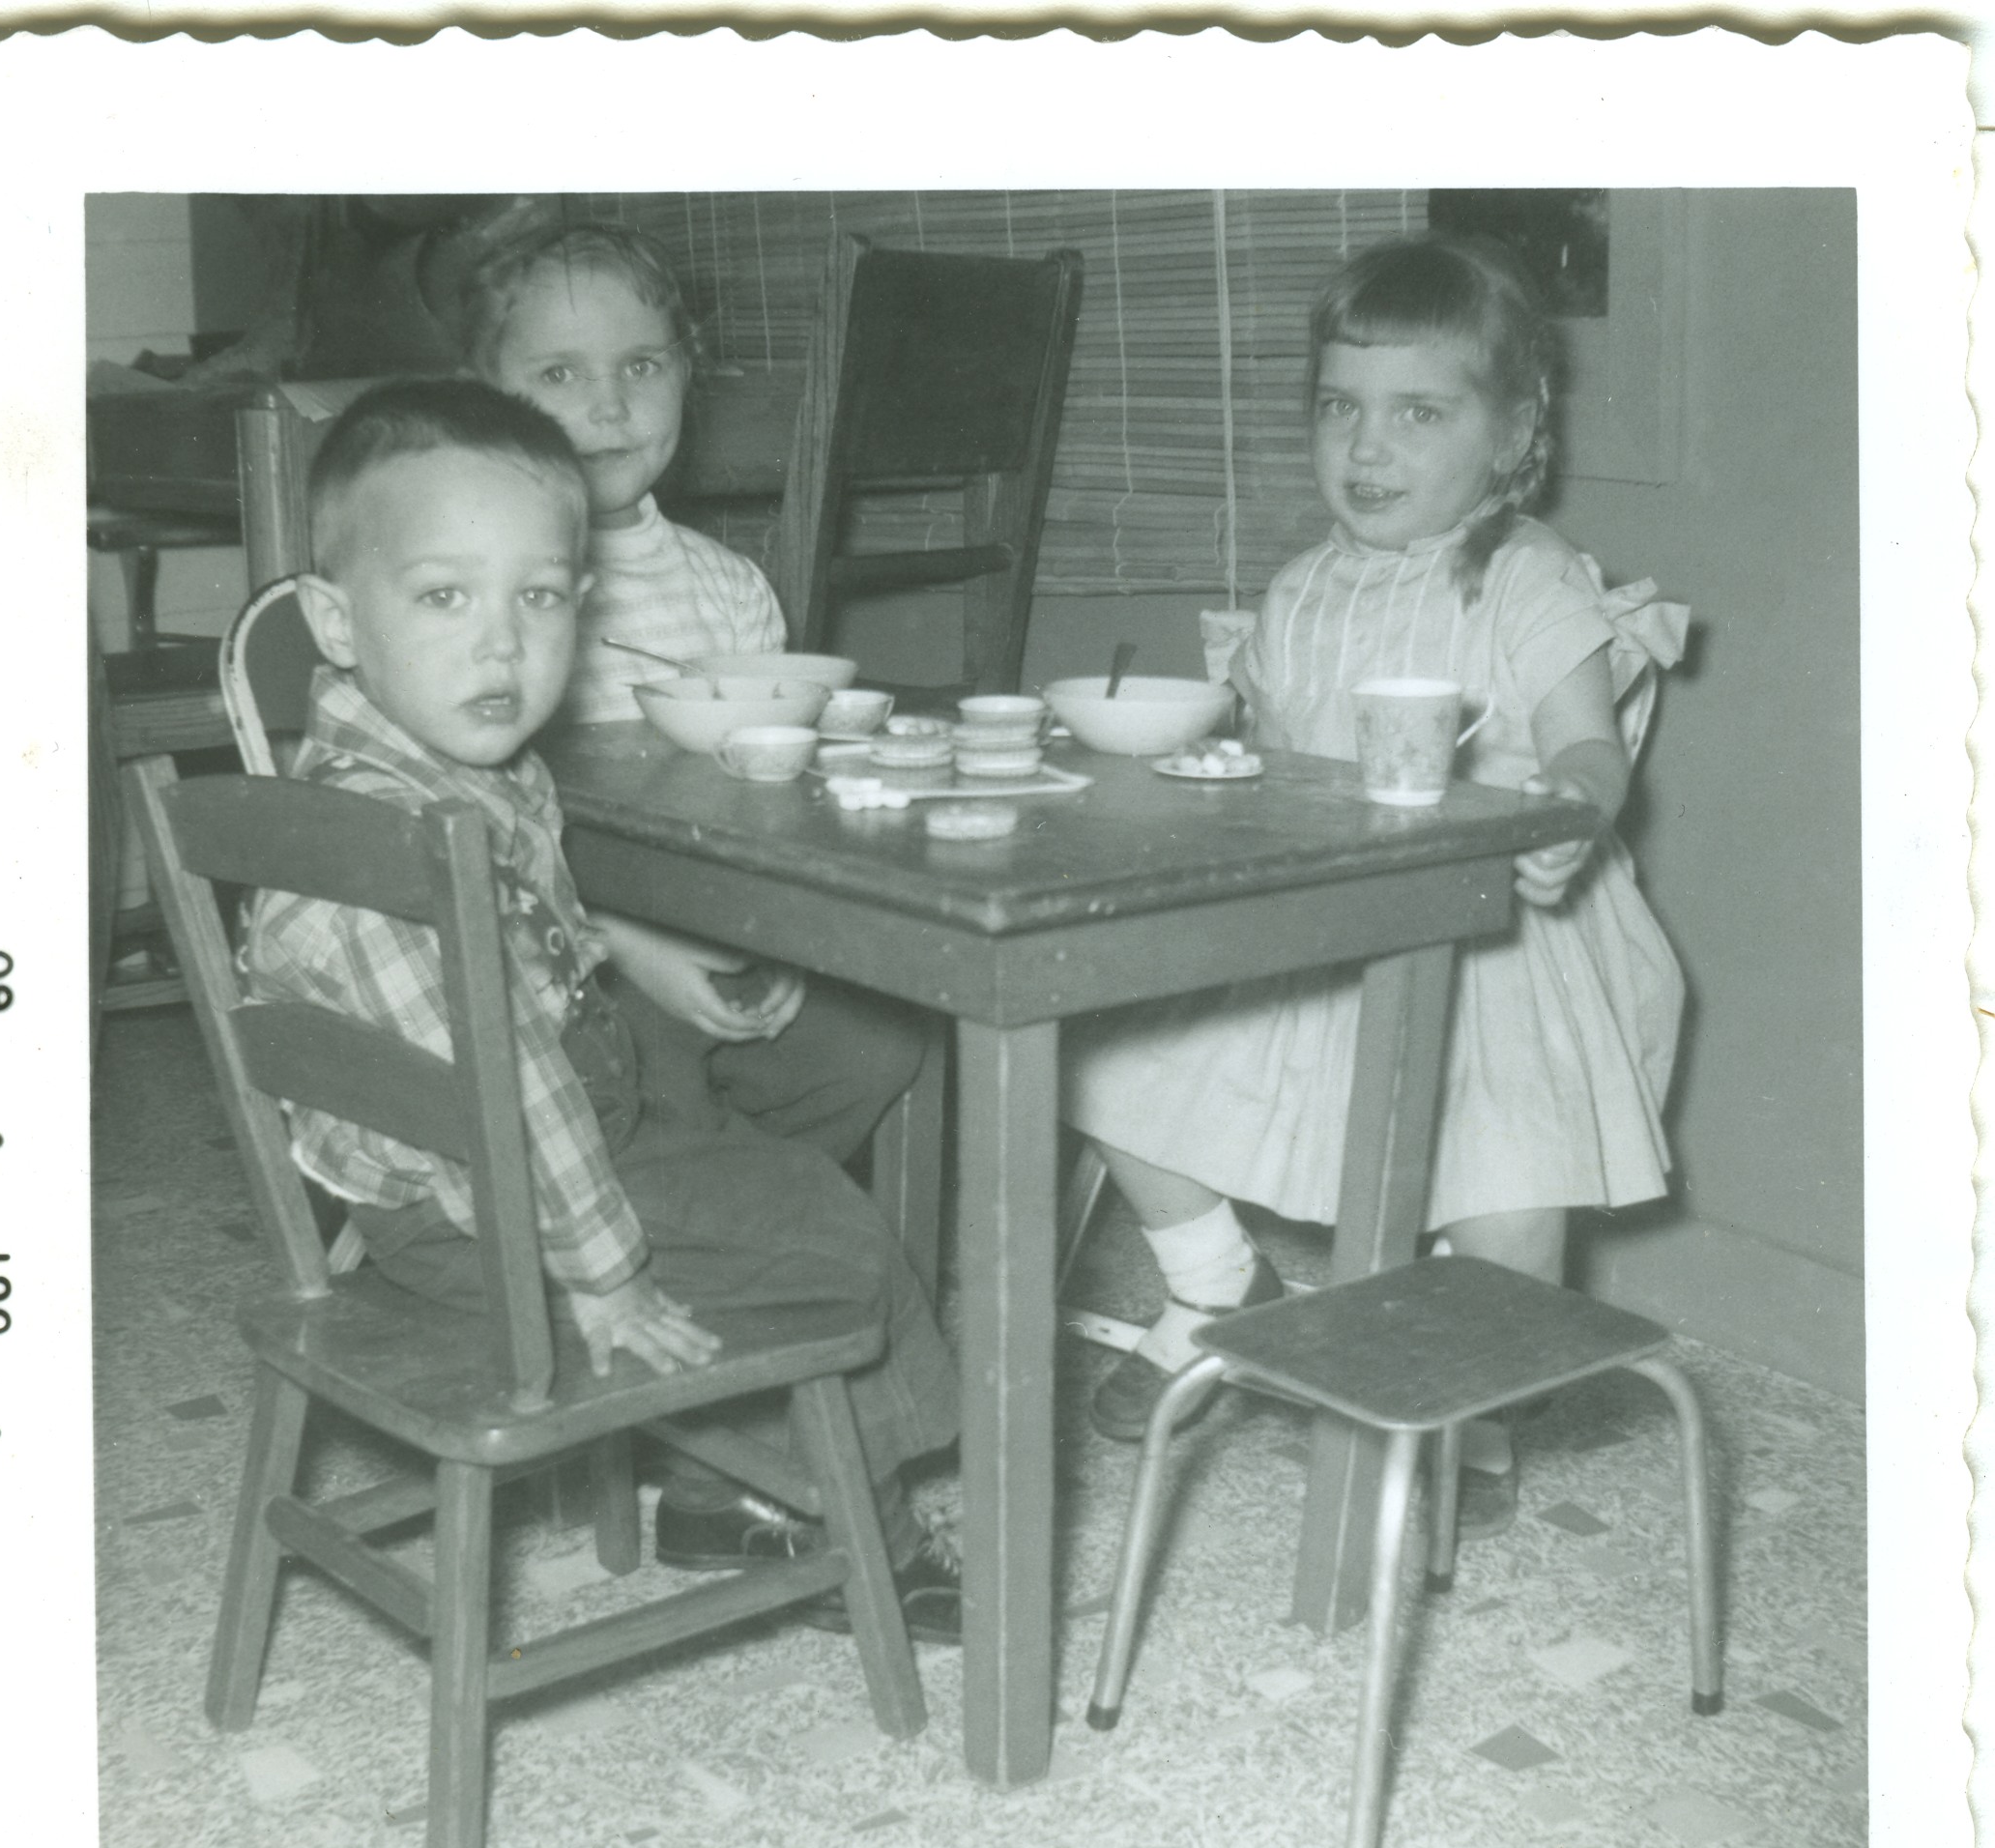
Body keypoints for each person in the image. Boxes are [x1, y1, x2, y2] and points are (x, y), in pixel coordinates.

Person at [243, 379, 962, 1640]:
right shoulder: (393, 851)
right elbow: (510, 1105)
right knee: (827, 1232)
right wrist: (608, 1274)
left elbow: (542, 954)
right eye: (444, 597)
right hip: (476, 1208)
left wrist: (637, 962)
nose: (501, 646)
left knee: (830, 1059)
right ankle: (850, 1524)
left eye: (538, 598)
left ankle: (726, 1453)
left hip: (538, 1117)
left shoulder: (444, 774)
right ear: (336, 620)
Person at [1063, 235, 1689, 1530]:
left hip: (1499, 938)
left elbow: (1584, 744)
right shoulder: (1299, 590)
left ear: (1511, 433)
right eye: (1338, 407)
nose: (1366, 445)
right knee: (1107, 1058)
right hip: (1321, 925)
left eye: (1418, 413)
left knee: (1508, 1196)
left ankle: (1470, 1413)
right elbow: (1271, 758)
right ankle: (1211, 1278)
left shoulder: (1522, 574)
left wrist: (1570, 808)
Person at [459, 217, 927, 1193]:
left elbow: (769, 804)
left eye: (641, 366)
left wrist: (786, 938)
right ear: (487, 396)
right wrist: (625, 947)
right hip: (552, 957)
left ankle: (745, 1210)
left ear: (687, 374)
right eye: (559, 374)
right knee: (636, 1068)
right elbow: (469, 828)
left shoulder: (732, 588)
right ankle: (675, 1217)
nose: (610, 405)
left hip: (722, 934)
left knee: (874, 1047)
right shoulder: (491, 596)